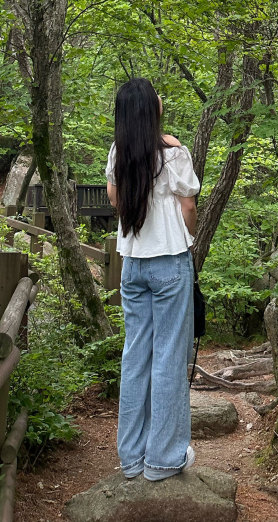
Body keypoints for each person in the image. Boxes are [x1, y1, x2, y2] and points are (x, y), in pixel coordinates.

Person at [105, 77, 200, 481]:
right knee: (168, 357)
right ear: (151, 109)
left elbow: (115, 201)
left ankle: (131, 457)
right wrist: (188, 238)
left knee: (136, 355)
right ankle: (163, 458)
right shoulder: (174, 154)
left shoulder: (118, 153)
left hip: (132, 264)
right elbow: (189, 207)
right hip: (169, 262)